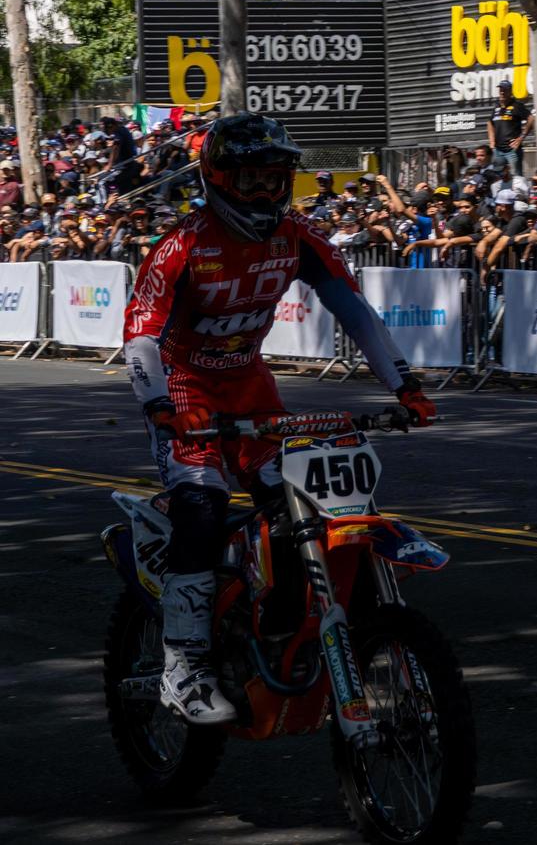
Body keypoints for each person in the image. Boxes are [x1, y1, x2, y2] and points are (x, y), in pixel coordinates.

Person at [122, 113, 436, 726]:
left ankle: (281, 626)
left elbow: (355, 310)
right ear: (217, 179)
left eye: (275, 180)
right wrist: (162, 407)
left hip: (252, 391)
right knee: (203, 507)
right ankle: (183, 662)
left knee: (304, 511)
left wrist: (407, 385)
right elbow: (140, 339)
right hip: (186, 393)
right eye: (252, 180)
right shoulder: (181, 243)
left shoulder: (299, 236)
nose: (266, 194)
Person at [485, 81, 533, 175]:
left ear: (510, 92)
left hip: (512, 151)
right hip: (498, 150)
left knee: (516, 178)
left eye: (505, 90)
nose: (502, 92)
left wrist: (521, 138)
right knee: (498, 177)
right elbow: (489, 122)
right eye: (500, 90)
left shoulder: (516, 105)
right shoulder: (496, 107)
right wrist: (491, 141)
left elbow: (531, 119)